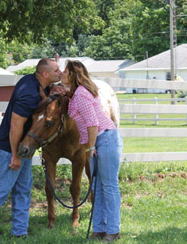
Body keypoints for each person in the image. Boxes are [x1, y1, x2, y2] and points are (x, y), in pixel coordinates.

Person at [0, 58, 62, 243]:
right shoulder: (28, 93)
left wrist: (54, 91)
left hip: (25, 148)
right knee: (2, 189)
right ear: (45, 74)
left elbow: (46, 97)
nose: (60, 72)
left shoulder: (35, 82)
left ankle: (19, 232)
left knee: (23, 190)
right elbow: (16, 125)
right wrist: (15, 155)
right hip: (11, 147)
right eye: (56, 70)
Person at [61, 60, 123, 242]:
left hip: (104, 139)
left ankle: (113, 230)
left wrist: (91, 147)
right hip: (97, 141)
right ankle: (98, 229)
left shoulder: (81, 94)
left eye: (65, 71)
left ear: (72, 74)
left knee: (109, 186)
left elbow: (93, 122)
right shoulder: (76, 93)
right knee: (97, 186)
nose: (62, 74)